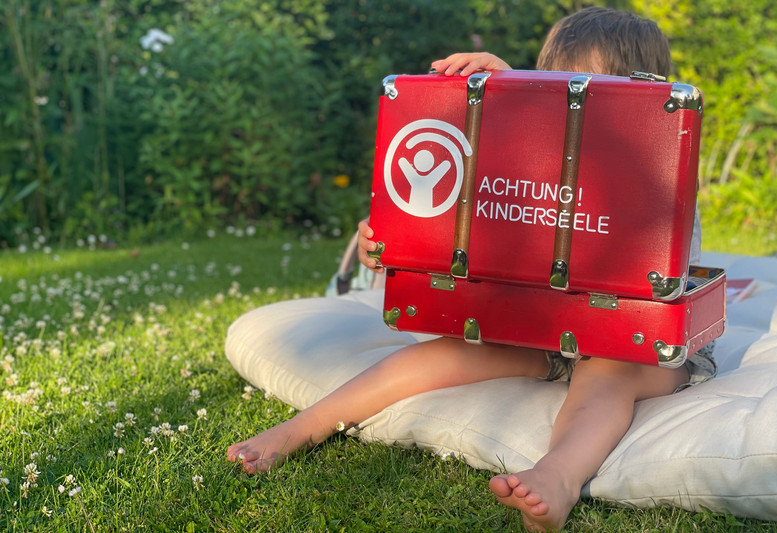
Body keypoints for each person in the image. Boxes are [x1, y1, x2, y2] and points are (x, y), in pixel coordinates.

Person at [227, 7, 715, 532]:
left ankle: (558, 476)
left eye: (589, 96)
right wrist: (389, 240)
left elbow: (640, 254)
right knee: (426, 361)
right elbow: (459, 215)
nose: (575, 113)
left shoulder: (663, 173)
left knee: (604, 382)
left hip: (632, 340)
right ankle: (302, 428)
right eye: (562, 92)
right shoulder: (527, 161)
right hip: (541, 332)